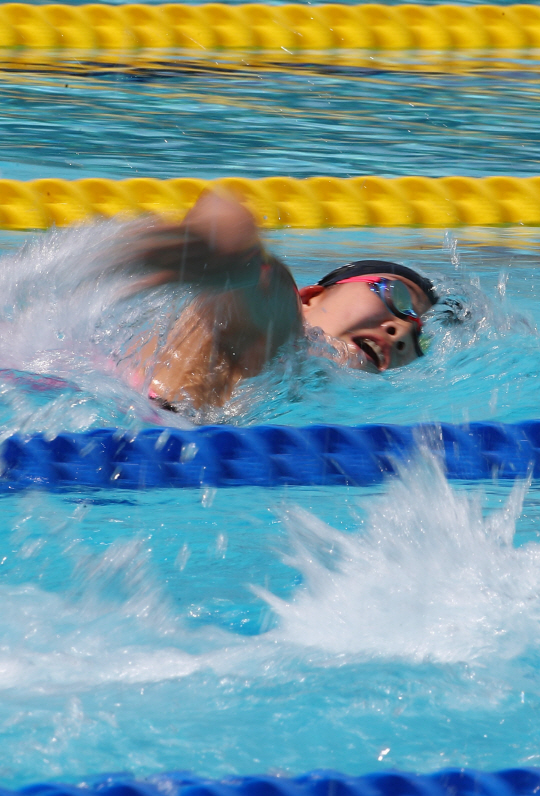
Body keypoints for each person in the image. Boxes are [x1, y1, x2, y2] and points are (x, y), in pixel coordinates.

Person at [117, 190, 438, 411]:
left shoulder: (295, 384)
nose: (400, 332)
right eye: (396, 297)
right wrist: (212, 247)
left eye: (417, 339)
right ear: (310, 297)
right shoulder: (280, 322)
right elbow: (229, 222)